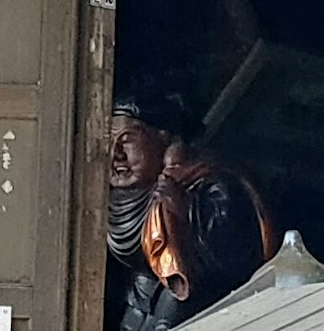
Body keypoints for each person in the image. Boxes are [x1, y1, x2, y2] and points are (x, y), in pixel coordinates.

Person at [105, 108, 277, 331]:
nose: (115, 155)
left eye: (126, 141)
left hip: (194, 291)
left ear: (162, 136)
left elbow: (236, 256)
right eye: (107, 143)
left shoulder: (208, 181)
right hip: (142, 289)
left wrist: (186, 211)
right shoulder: (107, 200)